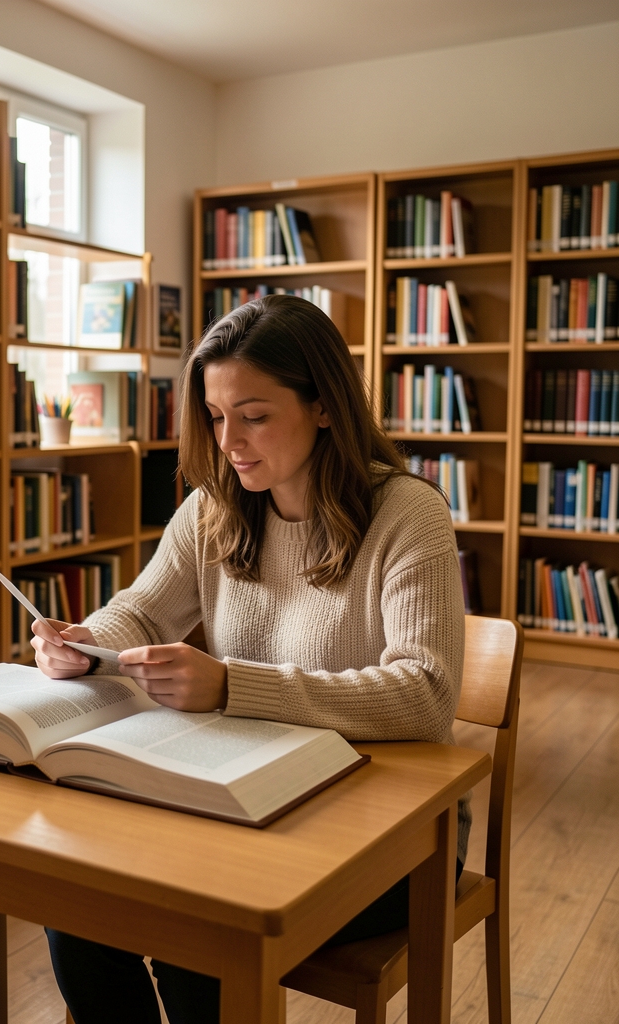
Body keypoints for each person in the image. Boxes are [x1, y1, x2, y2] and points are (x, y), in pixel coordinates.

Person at [31, 294, 467, 1024]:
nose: (230, 440)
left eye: (255, 415)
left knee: (196, 927)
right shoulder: (215, 507)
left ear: (324, 405)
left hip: (389, 833)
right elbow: (140, 609)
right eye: (215, 414)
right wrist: (86, 639)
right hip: (243, 797)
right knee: (75, 900)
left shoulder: (408, 514)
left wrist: (232, 685)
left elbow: (425, 693)